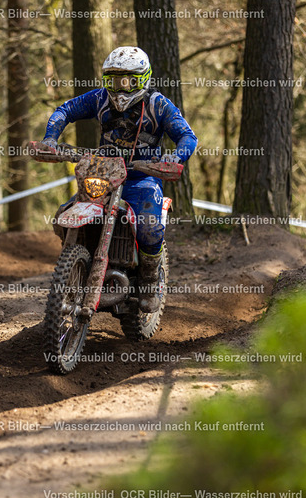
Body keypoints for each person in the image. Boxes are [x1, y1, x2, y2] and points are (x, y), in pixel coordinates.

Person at [41, 46, 198, 312]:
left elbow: (187, 136)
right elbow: (65, 110)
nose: (119, 88)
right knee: (63, 214)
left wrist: (176, 157)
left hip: (142, 177)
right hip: (105, 174)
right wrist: (50, 139)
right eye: (113, 81)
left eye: (126, 81)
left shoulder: (158, 104)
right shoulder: (100, 98)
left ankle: (149, 279)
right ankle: (77, 264)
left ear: (142, 79)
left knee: (149, 225)